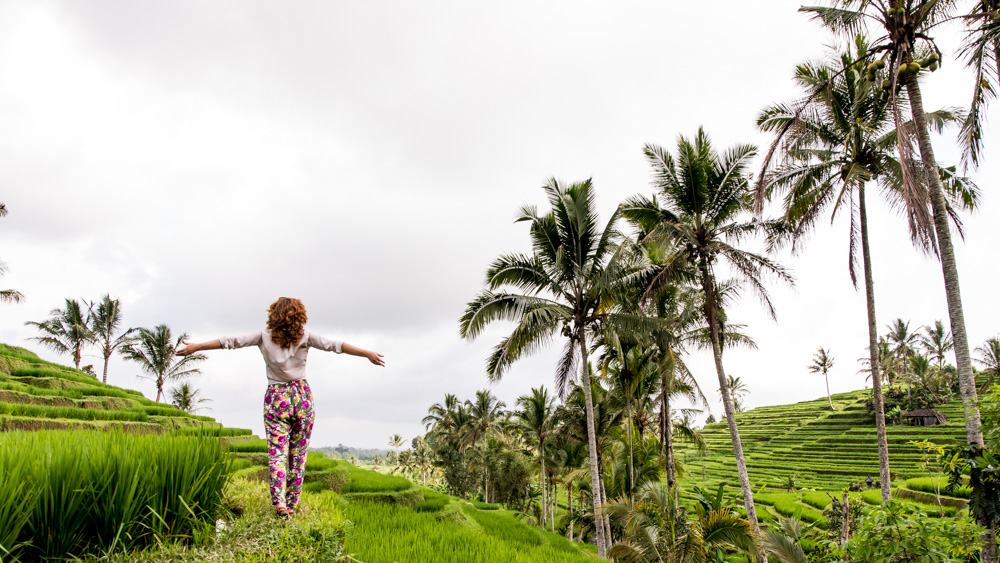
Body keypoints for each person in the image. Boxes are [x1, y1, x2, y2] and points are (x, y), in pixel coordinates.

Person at [176, 297, 384, 519]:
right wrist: (367, 353)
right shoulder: (305, 336)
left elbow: (231, 341)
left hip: (277, 396)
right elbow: (336, 346)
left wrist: (197, 346)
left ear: (273, 314)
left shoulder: (263, 336)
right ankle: (292, 504)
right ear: (300, 316)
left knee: (277, 452)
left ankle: (281, 504)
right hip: (302, 396)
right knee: (298, 453)